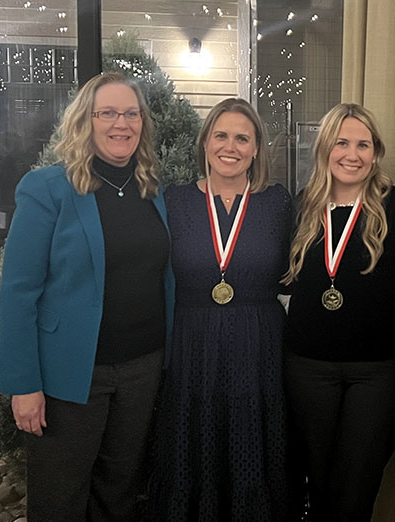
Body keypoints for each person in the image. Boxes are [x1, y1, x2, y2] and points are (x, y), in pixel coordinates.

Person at [0, 72, 174, 521]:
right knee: (60, 495)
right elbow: (18, 292)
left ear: (142, 123)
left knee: (119, 491)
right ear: (85, 121)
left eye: (131, 113)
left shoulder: (151, 190)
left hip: (141, 368)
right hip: (69, 375)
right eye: (108, 113)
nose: (122, 123)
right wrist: (24, 385)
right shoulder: (48, 189)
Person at [282, 103, 395, 522]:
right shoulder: (300, 208)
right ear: (324, 148)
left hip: (379, 373)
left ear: (376, 153)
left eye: (363, 144)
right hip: (307, 369)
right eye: (342, 143)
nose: (352, 153)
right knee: (318, 488)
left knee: (355, 493)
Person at [151, 98, 293, 521]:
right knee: (193, 442)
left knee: (255, 441)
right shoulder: (173, 201)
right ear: (205, 142)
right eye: (222, 135)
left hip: (259, 344)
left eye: (242, 138)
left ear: (256, 149)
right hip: (193, 344)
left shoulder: (277, 204)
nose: (231, 146)